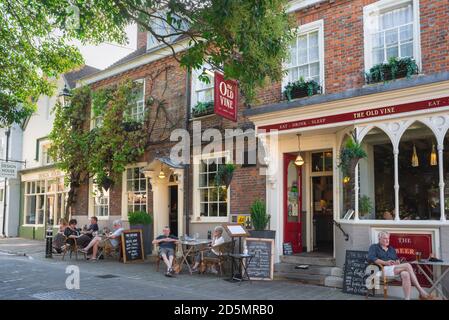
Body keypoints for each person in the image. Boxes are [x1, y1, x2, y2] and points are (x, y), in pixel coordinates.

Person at [368, 231, 435, 300]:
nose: (387, 240)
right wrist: (385, 262)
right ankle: (421, 291)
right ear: (379, 238)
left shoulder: (391, 249)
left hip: (393, 269)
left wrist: (397, 262)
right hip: (381, 270)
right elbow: (371, 258)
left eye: (388, 238)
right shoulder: (374, 247)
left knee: (405, 274)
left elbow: (396, 259)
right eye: (385, 238)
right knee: (407, 265)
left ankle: (407, 298)